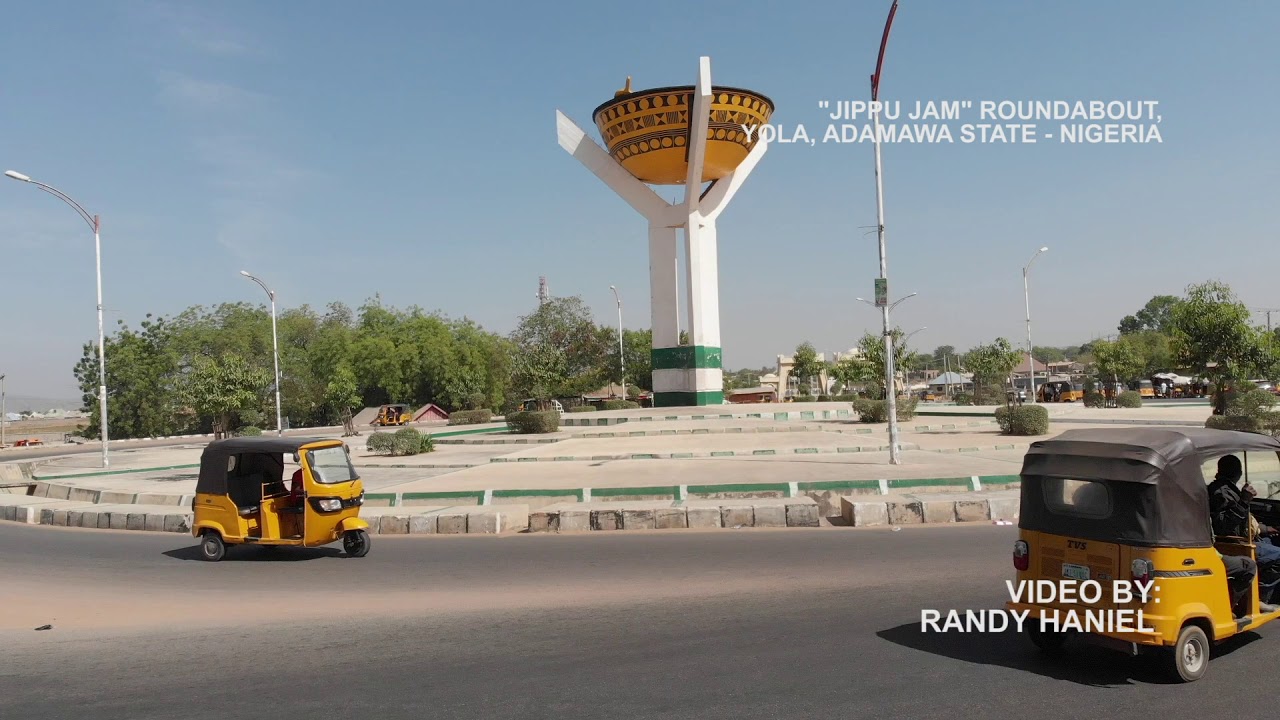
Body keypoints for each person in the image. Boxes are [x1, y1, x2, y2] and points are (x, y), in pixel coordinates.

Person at [1208, 455, 1280, 610]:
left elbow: (1245, 522)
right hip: (1234, 544)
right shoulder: (1220, 492)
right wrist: (1244, 501)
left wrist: (1266, 529)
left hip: (1245, 537)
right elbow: (1223, 526)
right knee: (1278, 556)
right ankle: (1259, 599)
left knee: (1272, 542)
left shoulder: (1227, 488)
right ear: (1238, 472)